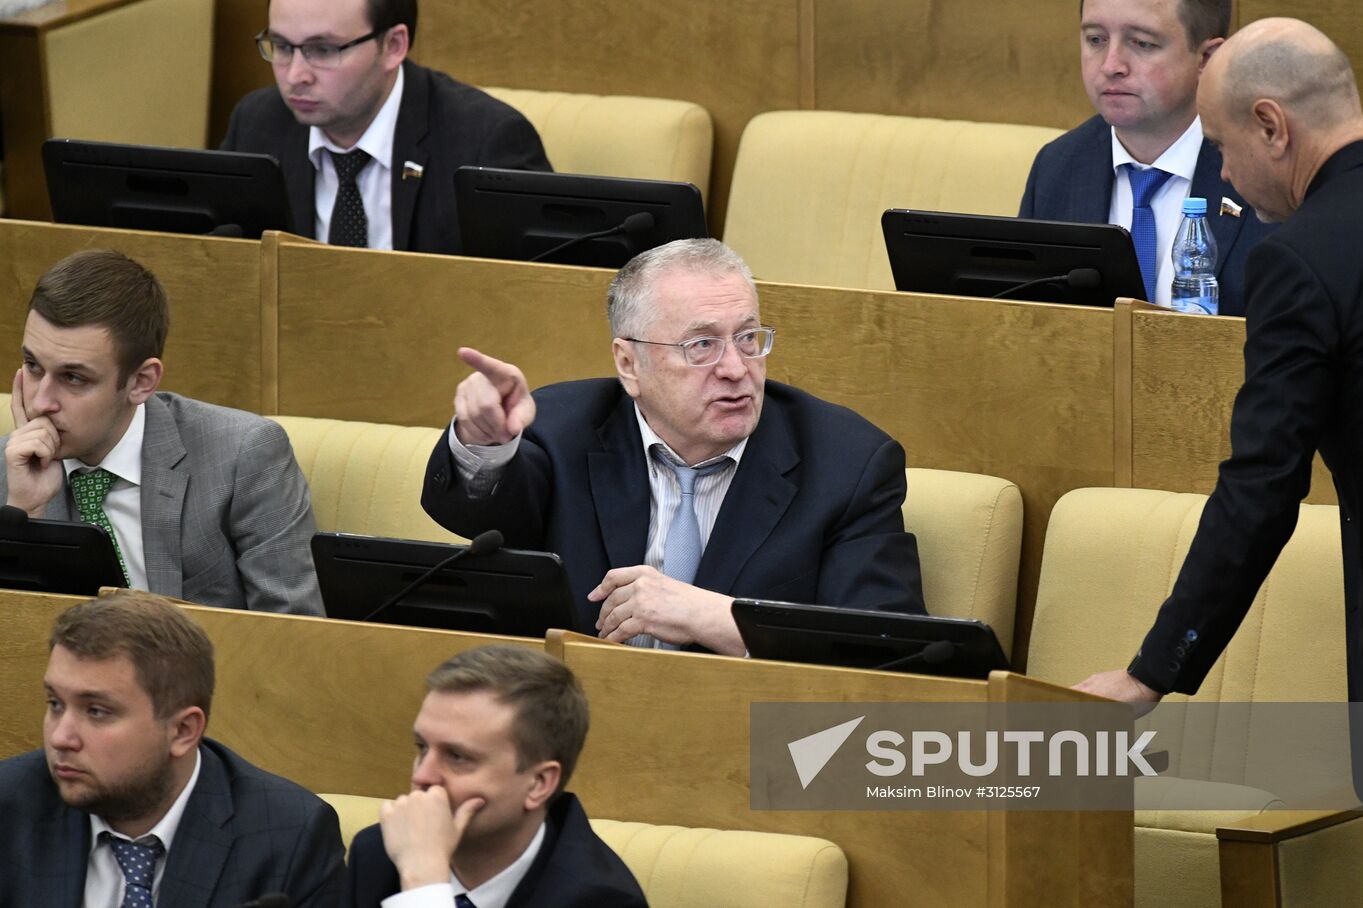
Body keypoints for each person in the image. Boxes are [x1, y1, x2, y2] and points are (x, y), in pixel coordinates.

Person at [1073, 18, 1363, 904]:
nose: (1221, 175)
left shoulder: (1300, 260)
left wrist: (1152, 671)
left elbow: (1260, 491)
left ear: (1272, 127)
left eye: (1219, 146)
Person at [420, 238, 924, 655]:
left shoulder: (847, 465)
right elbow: (481, 518)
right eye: (701, 345)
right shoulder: (560, 432)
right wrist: (485, 443)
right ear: (629, 363)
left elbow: (885, 648)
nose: (735, 368)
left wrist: (721, 619)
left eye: (748, 338)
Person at [1, 249, 324, 615]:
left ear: (141, 382)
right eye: (32, 366)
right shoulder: (10, 472)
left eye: (73, 377)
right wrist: (24, 515)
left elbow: (295, 631)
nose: (41, 402)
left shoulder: (243, 455)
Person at [0, 590, 345, 907]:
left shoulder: (289, 836)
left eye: (96, 711)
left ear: (183, 731)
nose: (61, 737)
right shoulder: (9, 806)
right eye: (55, 703)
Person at [220, 0, 550, 254]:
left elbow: (541, 292)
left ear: (393, 46)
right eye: (281, 47)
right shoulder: (257, 125)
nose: (295, 76)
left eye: (322, 50)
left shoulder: (486, 142)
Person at [1018, 0, 1276, 314]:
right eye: (1096, 39)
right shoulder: (1057, 167)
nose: (1111, 65)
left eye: (1142, 43)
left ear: (1207, 58)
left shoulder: (1269, 173)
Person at [343, 644, 646, 907]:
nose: (423, 776)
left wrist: (424, 887)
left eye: (458, 757)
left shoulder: (600, 898)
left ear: (538, 784)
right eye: (422, 748)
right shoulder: (378, 856)